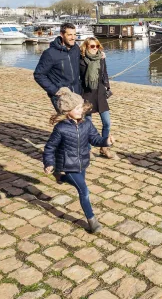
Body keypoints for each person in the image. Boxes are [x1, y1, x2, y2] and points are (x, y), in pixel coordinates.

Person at [43, 88, 110, 233]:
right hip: (67, 164)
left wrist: (106, 142)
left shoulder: (86, 124)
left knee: (79, 185)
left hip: (83, 162)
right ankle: (92, 221)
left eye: (81, 107)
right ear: (67, 111)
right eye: (77, 108)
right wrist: (49, 163)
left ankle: (60, 177)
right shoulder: (61, 129)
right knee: (84, 190)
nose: (81, 110)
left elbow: (95, 139)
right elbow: (50, 147)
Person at [34, 23, 81, 111]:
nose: (73, 37)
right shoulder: (50, 53)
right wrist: (55, 91)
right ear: (62, 34)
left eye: (75, 34)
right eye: (70, 35)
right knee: (66, 122)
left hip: (77, 92)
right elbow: (39, 75)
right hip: (61, 95)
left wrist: (99, 56)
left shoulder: (76, 49)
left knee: (79, 120)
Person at [80, 37, 113, 158]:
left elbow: (104, 73)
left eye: (97, 46)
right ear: (86, 47)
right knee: (88, 124)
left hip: (100, 93)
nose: (95, 49)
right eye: (92, 46)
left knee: (107, 123)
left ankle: (104, 147)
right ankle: (88, 149)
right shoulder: (81, 59)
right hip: (87, 93)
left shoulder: (101, 58)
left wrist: (107, 87)